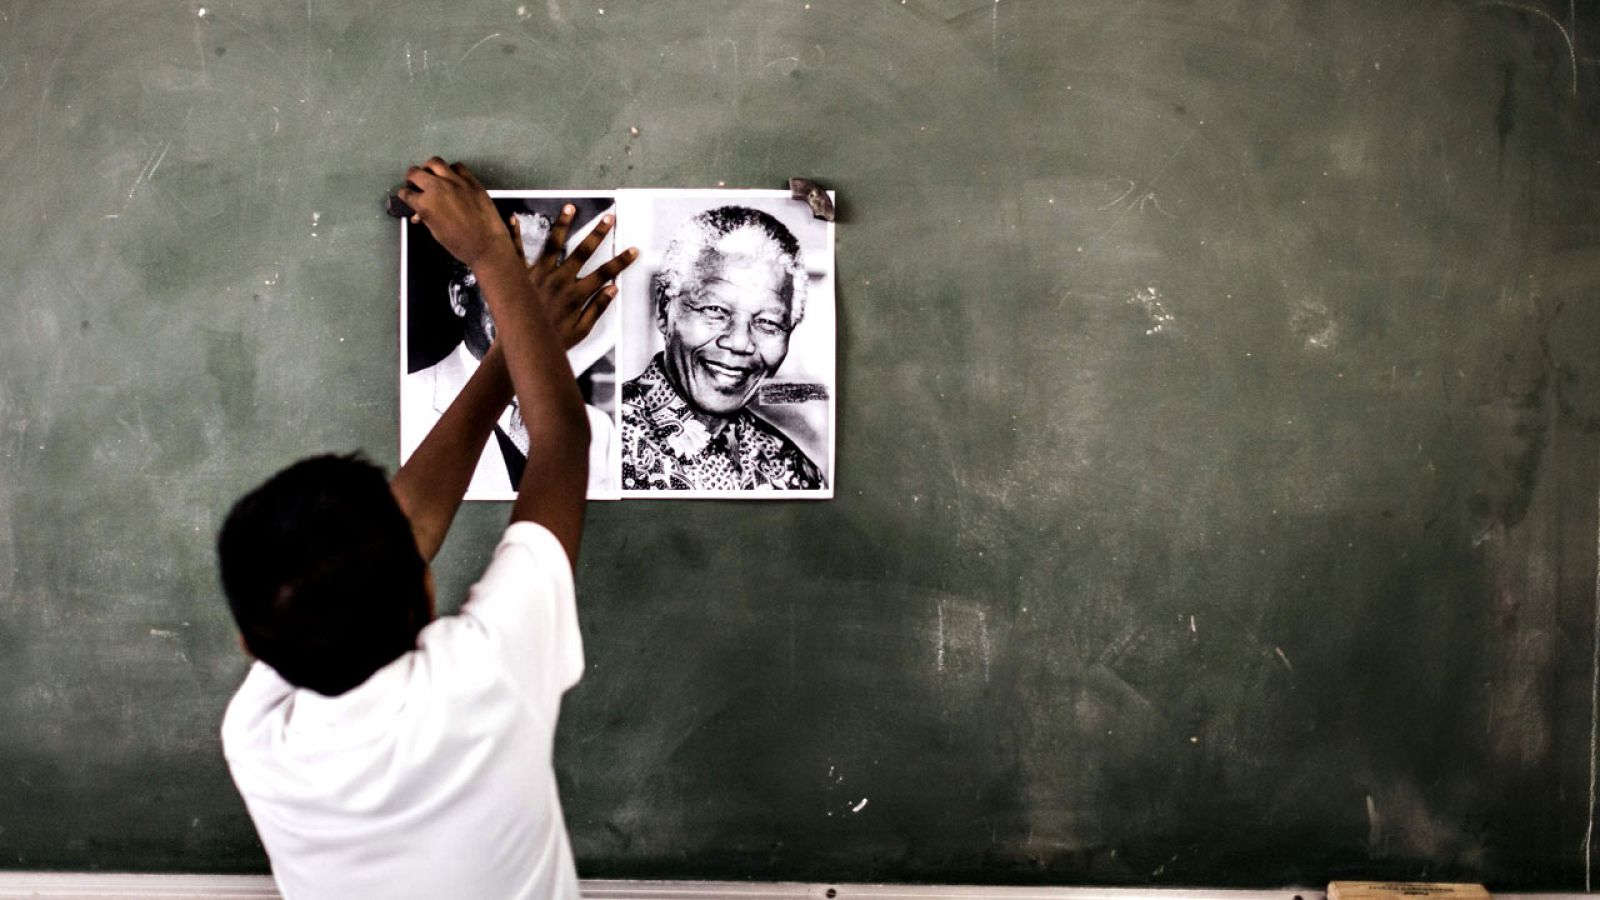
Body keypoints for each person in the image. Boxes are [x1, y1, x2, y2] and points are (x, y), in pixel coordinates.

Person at [216, 157, 637, 900]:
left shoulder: (258, 737)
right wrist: (494, 259)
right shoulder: (483, 681)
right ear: (426, 576)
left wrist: (511, 336)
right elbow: (568, 438)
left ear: (253, 644)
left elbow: (428, 509)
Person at [401, 210, 617, 496]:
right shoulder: (408, 405)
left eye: (545, 287)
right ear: (460, 297)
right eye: (506, 280)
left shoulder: (595, 430)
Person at [620, 205, 825, 491]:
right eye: (714, 310)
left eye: (768, 323)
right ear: (664, 310)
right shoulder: (598, 444)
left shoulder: (795, 473)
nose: (740, 342)